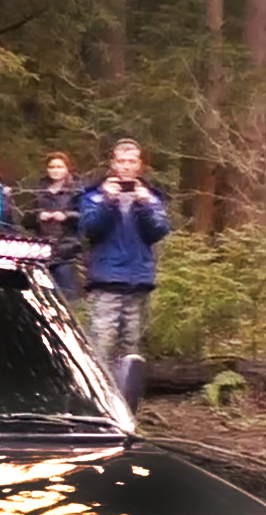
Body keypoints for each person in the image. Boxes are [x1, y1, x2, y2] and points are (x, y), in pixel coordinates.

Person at [78, 138, 171, 362]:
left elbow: (158, 231)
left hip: (138, 280)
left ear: (139, 165)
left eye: (131, 161)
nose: (127, 166)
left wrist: (145, 205)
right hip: (107, 279)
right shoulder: (95, 195)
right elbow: (90, 230)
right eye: (122, 161)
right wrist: (108, 202)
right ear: (113, 164)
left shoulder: (151, 197)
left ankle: (128, 396)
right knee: (102, 343)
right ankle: (97, 394)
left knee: (132, 348)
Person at [33, 152, 83, 299]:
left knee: (68, 298)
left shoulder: (76, 191)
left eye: (59, 167)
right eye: (52, 167)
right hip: (42, 252)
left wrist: (66, 216)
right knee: (43, 298)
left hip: (67, 252)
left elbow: (86, 216)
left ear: (67, 169)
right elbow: (26, 218)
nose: (55, 170)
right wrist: (38, 216)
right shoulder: (39, 191)